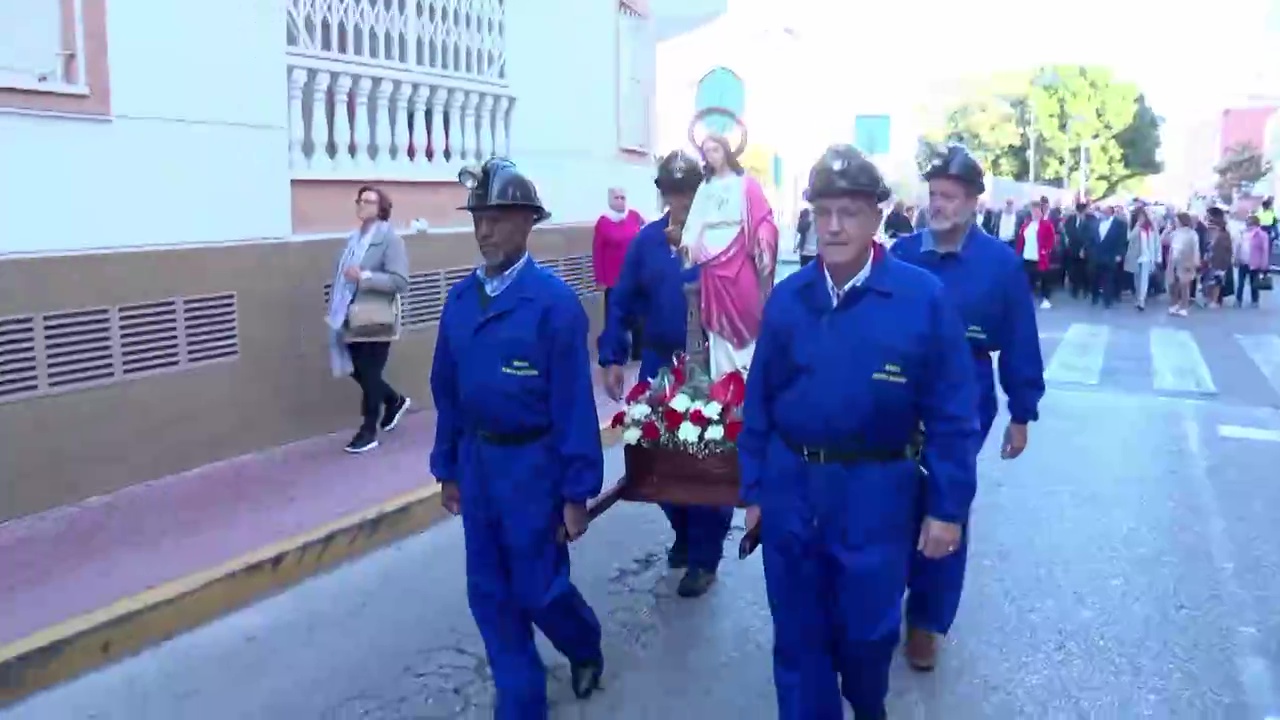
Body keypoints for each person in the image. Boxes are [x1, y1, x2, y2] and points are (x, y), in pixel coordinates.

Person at [738, 144, 981, 720]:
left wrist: (947, 508)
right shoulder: (789, 300)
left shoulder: (921, 300)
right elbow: (761, 400)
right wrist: (754, 490)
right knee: (798, 638)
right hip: (793, 486)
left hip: (878, 492)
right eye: (822, 212)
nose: (833, 225)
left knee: (868, 638)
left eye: (848, 212)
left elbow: (953, 413)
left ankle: (867, 702)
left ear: (878, 217)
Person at [429, 158, 605, 718]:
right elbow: (447, 393)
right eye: (479, 218)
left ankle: (583, 644)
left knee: (541, 588)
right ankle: (521, 700)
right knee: (488, 590)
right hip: (479, 463)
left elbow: (574, 405)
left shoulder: (553, 305)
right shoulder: (459, 302)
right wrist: (448, 469)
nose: (485, 231)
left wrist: (576, 493)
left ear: (528, 222)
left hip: (534, 467)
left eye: (499, 219)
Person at [890, 145, 1045, 671]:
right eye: (934, 195)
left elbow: (1021, 341)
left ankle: (927, 621)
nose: (939, 205)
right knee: (888, 501)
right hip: (898, 394)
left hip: (965, 398)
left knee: (945, 500)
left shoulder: (999, 266)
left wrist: (1022, 411)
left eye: (951, 197)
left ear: (975, 202)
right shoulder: (903, 254)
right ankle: (883, 600)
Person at [598, 150, 733, 598]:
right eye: (672, 193)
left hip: (710, 363)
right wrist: (612, 356)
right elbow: (622, 301)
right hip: (659, 363)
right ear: (662, 195)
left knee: (710, 464)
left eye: (688, 192)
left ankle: (705, 557)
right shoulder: (645, 242)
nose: (680, 201)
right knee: (654, 460)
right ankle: (684, 531)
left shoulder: (723, 239)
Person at [680, 133, 779, 379]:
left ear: (726, 151)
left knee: (749, 310)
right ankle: (723, 383)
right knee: (717, 329)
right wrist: (687, 246)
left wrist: (764, 241)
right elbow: (694, 223)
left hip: (739, 251)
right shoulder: (705, 187)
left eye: (715, 150)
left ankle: (748, 380)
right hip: (711, 259)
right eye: (706, 152)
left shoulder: (746, 184)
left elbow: (764, 219)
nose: (711, 156)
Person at [326, 184, 411, 454]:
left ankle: (368, 430)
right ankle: (394, 400)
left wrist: (365, 277)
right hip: (348, 313)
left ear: (381, 207)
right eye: (360, 201)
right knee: (357, 369)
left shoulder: (390, 239)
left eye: (369, 202)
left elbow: (400, 280)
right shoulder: (353, 239)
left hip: (374, 316)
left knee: (370, 372)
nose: (363, 205)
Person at [593, 187, 646, 362]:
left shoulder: (634, 216)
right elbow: (598, 251)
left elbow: (644, 238)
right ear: (610, 200)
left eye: (623, 197)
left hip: (635, 277)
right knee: (615, 319)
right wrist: (600, 279)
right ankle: (616, 356)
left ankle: (638, 354)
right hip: (613, 280)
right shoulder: (603, 222)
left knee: (638, 317)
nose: (621, 201)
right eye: (617, 198)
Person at [1015, 201, 1056, 309]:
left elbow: (1051, 240)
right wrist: (1018, 252)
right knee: (1027, 279)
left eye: (1037, 210)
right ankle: (1026, 299)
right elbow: (1021, 240)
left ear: (1041, 212)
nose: (1035, 213)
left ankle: (1046, 299)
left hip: (1040, 257)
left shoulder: (1047, 224)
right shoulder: (1026, 224)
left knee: (1044, 278)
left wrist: (1046, 250)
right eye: (1033, 210)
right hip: (1027, 256)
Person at [1088, 205, 1128, 307]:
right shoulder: (1096, 223)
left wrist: (1119, 254)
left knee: (1108, 278)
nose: (1103, 214)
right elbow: (1091, 239)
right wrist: (1088, 250)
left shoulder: (1120, 224)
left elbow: (1122, 240)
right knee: (1095, 277)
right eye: (1102, 211)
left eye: (1105, 212)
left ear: (1111, 212)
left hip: (1110, 255)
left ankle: (1107, 300)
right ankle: (1095, 297)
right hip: (1097, 255)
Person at [1125, 206, 1160, 311]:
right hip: (1136, 256)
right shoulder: (1136, 227)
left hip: (1147, 257)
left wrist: (1157, 257)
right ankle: (1138, 296)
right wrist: (1136, 227)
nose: (1140, 219)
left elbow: (1156, 243)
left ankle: (1142, 300)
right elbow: (1129, 238)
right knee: (1136, 278)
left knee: (1144, 279)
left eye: (1142, 217)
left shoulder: (1152, 228)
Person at [1167, 212, 1201, 317]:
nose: (1175, 222)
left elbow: (1196, 249)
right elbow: (1165, 241)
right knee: (1173, 284)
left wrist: (1195, 262)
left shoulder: (1192, 234)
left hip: (1186, 260)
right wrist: (1166, 231)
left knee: (1184, 285)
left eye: (1177, 220)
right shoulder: (1175, 233)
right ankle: (1174, 304)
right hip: (1173, 261)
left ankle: (1184, 307)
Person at [1063, 203, 1095, 298]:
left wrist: (1084, 248)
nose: (1080, 214)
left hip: (1086, 249)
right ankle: (1075, 289)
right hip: (1073, 248)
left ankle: (1086, 288)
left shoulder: (1091, 219)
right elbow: (1068, 231)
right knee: (1074, 270)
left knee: (1086, 270)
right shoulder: (1070, 219)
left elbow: (1092, 235)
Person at [1237, 215, 1269, 307]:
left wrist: (1264, 264)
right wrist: (1236, 257)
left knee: (1254, 283)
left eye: (1249, 221)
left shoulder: (1262, 235)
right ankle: (1238, 300)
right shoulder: (1243, 233)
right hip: (1243, 261)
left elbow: (1265, 250)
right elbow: (1239, 246)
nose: (1247, 223)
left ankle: (1255, 300)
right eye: (1247, 221)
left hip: (1254, 263)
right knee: (1240, 283)